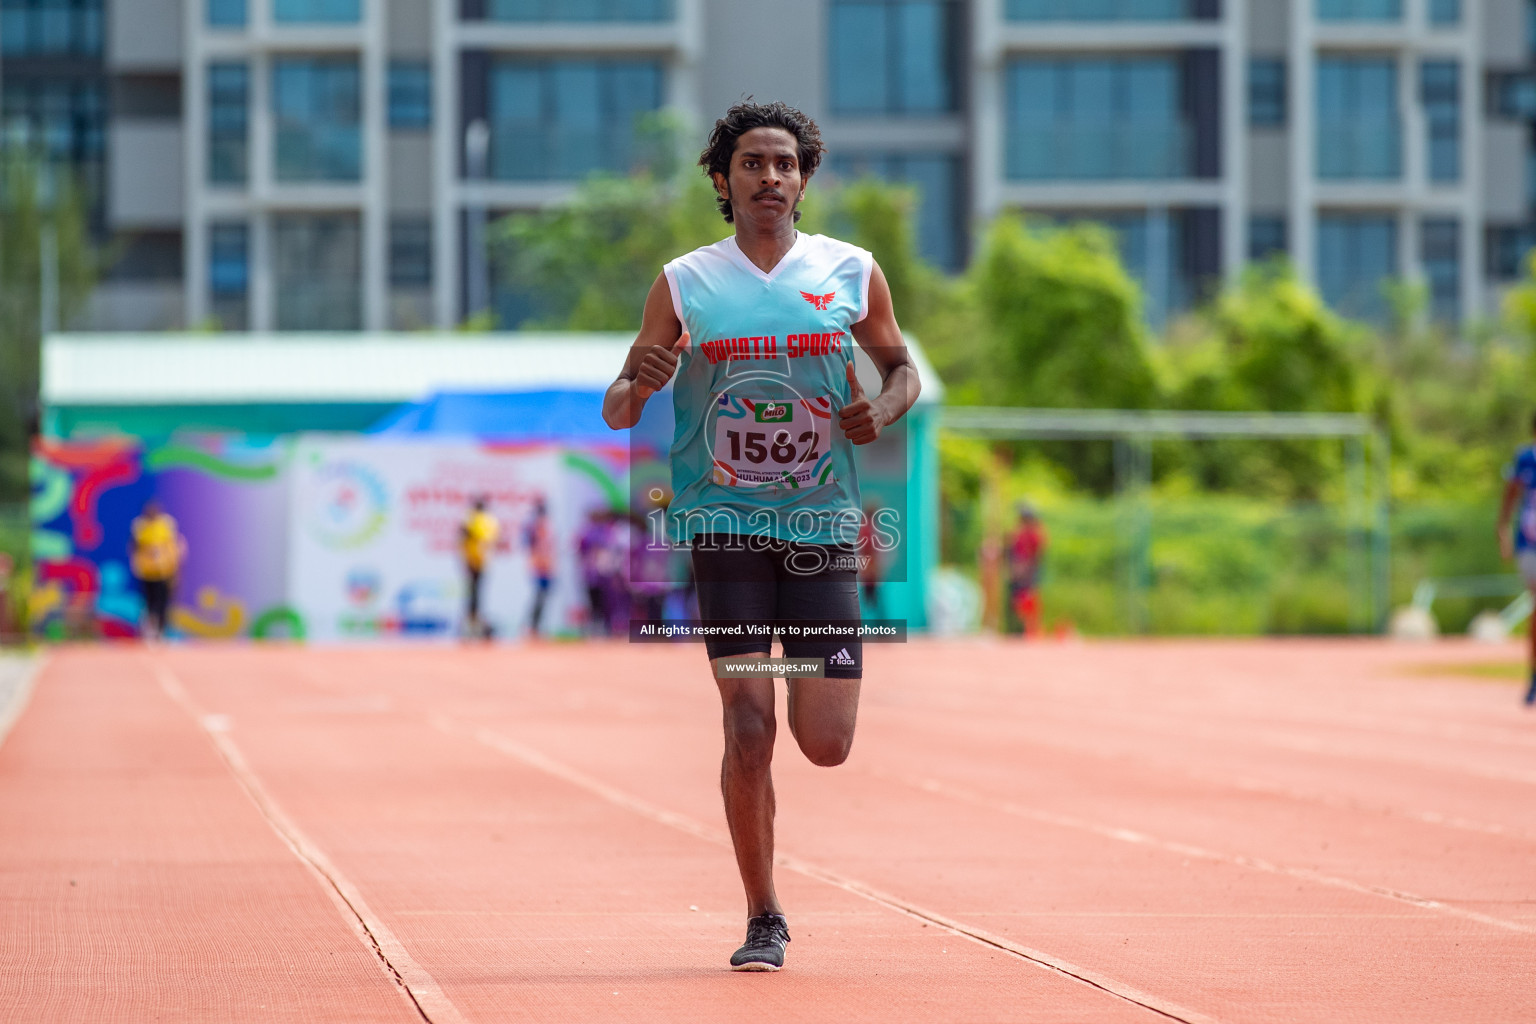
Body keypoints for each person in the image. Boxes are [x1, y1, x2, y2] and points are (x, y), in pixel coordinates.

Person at [602, 100, 920, 971]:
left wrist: (880, 409)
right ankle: (763, 916)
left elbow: (902, 369)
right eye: (752, 164)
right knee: (748, 728)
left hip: (818, 525)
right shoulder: (686, 282)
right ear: (723, 180)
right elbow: (618, 403)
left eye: (784, 164)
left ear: (804, 180)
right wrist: (646, 379)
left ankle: (789, 665)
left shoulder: (851, 270)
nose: (769, 177)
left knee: (824, 743)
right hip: (726, 523)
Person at [1498, 416, 1536, 705]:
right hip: (1530, 544)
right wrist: (1503, 531)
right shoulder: (1525, 458)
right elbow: (1509, 496)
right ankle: (1534, 673)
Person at [129, 499, 185, 640]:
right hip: (147, 572)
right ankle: (150, 630)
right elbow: (134, 546)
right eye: (149, 510)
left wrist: (175, 569)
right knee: (148, 603)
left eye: (155, 510)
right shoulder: (140, 526)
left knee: (163, 602)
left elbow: (174, 548)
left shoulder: (166, 525)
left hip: (164, 571)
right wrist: (137, 564)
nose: (152, 513)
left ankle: (161, 631)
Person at [460, 495, 499, 640]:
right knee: (477, 594)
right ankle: (474, 624)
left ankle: (473, 625)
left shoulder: (472, 518)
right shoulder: (490, 520)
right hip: (482, 561)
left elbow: (463, 534)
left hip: (473, 560)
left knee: (473, 594)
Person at [1005, 504, 1047, 638]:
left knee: (1029, 599)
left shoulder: (1034, 532)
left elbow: (1037, 551)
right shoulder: (1018, 531)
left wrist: (1026, 567)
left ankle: (1032, 630)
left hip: (1029, 569)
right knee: (1018, 601)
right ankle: (1024, 629)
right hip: (1019, 568)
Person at [524, 498, 554, 636]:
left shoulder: (547, 526)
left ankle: (537, 626)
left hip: (547, 566)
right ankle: (533, 626)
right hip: (539, 566)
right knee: (539, 596)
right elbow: (530, 546)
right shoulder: (533, 527)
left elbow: (550, 547)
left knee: (544, 596)